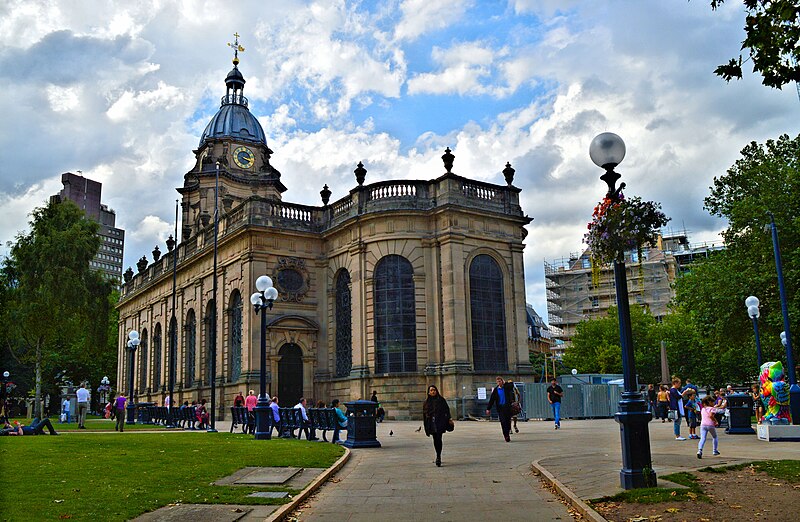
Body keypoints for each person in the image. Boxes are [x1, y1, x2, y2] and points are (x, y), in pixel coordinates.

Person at [423, 385, 451, 467]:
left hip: (440, 422)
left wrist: (449, 419)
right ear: (429, 392)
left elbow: (447, 410)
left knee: (439, 438)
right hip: (431, 423)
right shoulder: (426, 402)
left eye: (434, 390)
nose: (433, 391)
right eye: (431, 390)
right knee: (435, 439)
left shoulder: (441, 400)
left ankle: (438, 456)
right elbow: (424, 415)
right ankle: (438, 454)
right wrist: (426, 426)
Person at [486, 376, 516, 441]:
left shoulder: (506, 388)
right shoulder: (496, 390)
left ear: (502, 381)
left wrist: (505, 383)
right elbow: (492, 399)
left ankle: (508, 431)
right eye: (498, 381)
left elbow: (511, 385)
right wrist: (488, 408)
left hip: (507, 407)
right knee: (503, 422)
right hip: (500, 408)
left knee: (508, 422)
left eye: (500, 381)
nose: (499, 383)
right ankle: (506, 436)